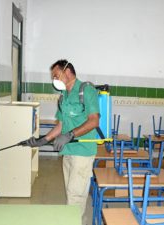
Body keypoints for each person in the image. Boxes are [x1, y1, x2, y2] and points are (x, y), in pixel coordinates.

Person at [25, 59, 100, 224]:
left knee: (75, 194)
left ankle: (73, 222)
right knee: (71, 192)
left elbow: (94, 121)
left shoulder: (86, 90)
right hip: (68, 151)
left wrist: (70, 135)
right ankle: (76, 219)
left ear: (67, 72)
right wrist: (42, 140)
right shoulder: (63, 96)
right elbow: (61, 125)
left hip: (83, 150)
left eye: (55, 75)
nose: (54, 80)